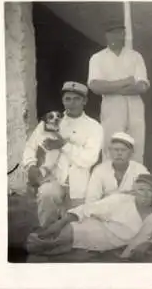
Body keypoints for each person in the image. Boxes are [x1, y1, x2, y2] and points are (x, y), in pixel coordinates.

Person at [26, 174, 152, 261]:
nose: (145, 195)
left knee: (60, 253)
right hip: (92, 229)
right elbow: (88, 208)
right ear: (135, 190)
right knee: (49, 243)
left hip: (109, 244)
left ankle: (36, 243)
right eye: (141, 190)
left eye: (150, 191)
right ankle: (32, 241)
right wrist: (61, 222)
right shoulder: (121, 199)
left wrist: (146, 245)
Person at [23, 81, 104, 228]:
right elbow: (30, 146)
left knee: (76, 228)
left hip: (79, 184)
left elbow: (89, 159)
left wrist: (64, 145)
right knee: (47, 195)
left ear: (84, 101)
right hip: (53, 179)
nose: (71, 103)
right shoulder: (50, 121)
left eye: (76, 99)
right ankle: (46, 234)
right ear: (62, 100)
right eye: (67, 99)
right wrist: (31, 165)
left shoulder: (94, 127)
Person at [88, 20, 149, 163]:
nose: (115, 36)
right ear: (106, 35)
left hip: (135, 106)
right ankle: (111, 184)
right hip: (112, 107)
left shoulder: (135, 56)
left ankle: (135, 183)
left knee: (136, 147)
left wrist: (109, 87)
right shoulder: (98, 58)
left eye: (118, 33)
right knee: (111, 147)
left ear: (124, 34)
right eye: (111, 33)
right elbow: (95, 86)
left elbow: (142, 86)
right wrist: (125, 81)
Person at [85, 132, 149, 203]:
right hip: (104, 210)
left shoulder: (140, 170)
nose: (119, 153)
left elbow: (146, 198)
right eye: (116, 150)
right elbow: (91, 200)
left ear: (131, 152)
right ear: (110, 151)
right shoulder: (99, 170)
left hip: (132, 211)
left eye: (123, 150)